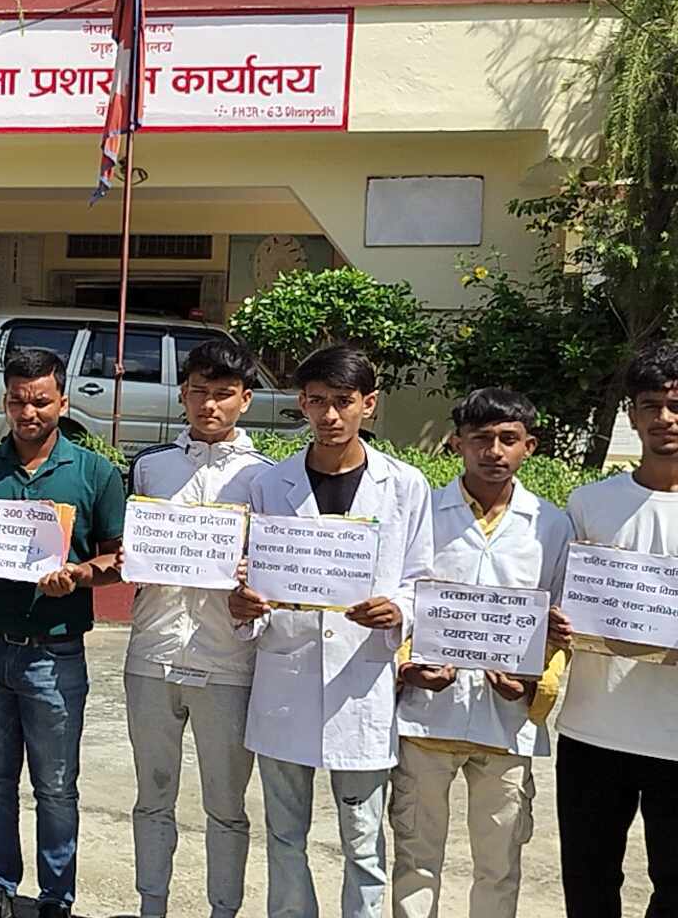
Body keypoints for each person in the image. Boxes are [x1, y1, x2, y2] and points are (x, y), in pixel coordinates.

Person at [229, 345, 433, 918]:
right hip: (286, 676)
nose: (330, 415)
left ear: (369, 403)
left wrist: (398, 610)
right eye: (317, 401)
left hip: (360, 681)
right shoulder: (270, 484)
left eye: (343, 401)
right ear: (301, 403)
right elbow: (254, 577)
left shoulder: (405, 485)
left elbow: (421, 578)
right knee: (284, 834)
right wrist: (244, 605)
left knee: (363, 840)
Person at [0, 347, 124, 918]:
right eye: (17, 400)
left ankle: (56, 897)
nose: (28, 412)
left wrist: (81, 575)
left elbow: (118, 558)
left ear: (62, 401)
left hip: (55, 652)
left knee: (56, 785)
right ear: (5, 401)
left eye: (40, 401)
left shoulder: (94, 473)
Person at [390, 389, 570, 918]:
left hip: (506, 721)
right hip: (427, 720)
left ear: (529, 446)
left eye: (508, 439)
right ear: (457, 444)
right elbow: (401, 599)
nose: (494, 451)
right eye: (481, 439)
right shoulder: (424, 514)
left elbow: (561, 626)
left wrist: (534, 686)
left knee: (499, 866)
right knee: (416, 861)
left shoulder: (551, 525)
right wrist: (407, 668)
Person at [123, 338, 272, 918]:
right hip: (153, 651)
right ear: (183, 394)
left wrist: (253, 580)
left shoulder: (267, 478)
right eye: (199, 392)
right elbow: (128, 545)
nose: (210, 405)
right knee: (152, 794)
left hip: (228, 659)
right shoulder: (151, 466)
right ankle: (151, 906)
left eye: (224, 394)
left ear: (245, 399)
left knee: (227, 805)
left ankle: (223, 909)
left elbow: (281, 567)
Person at [552, 343, 678, 916]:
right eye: (651, 405)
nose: (664, 418)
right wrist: (554, 621)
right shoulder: (589, 504)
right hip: (594, 728)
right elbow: (559, 598)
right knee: (588, 883)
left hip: (674, 736)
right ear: (631, 413)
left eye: (675, 405)